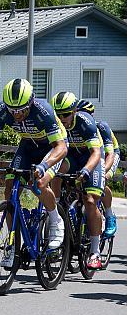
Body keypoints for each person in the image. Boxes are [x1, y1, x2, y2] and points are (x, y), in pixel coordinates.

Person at [0, 79, 68, 268]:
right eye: (13, 110)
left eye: (21, 109)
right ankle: (12, 246)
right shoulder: (3, 111)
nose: (17, 114)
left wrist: (44, 166)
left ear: (31, 102)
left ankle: (55, 220)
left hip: (52, 147)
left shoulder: (43, 110)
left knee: (40, 183)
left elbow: (60, 147)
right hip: (28, 145)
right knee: (9, 188)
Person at [50, 92, 105, 270]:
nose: (61, 118)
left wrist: (87, 171)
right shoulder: (55, 123)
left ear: (74, 111)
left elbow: (96, 153)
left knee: (90, 200)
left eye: (65, 114)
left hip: (91, 158)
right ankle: (57, 206)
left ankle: (95, 252)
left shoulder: (85, 122)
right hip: (72, 157)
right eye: (57, 114)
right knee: (57, 172)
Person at [76, 99, 118, 237]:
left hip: (110, 153)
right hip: (90, 153)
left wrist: (101, 172)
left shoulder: (101, 127)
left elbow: (109, 154)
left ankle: (110, 215)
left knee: (102, 179)